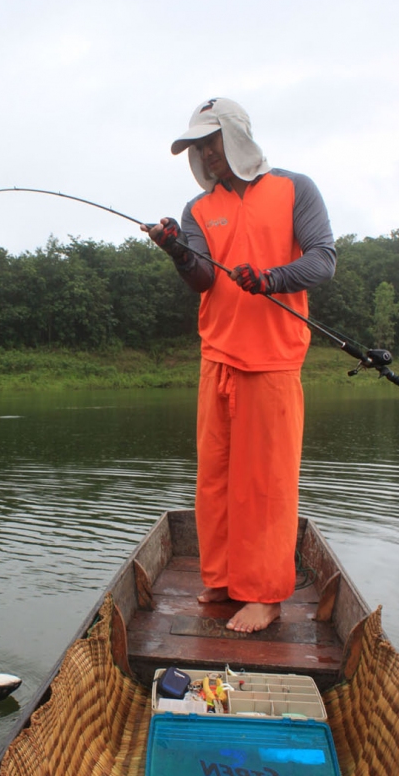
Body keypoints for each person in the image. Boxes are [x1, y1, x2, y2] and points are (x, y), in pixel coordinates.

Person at [142, 97, 335, 633]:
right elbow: (203, 276)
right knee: (217, 481)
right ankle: (225, 579)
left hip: (273, 361)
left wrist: (271, 278)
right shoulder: (198, 209)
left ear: (237, 137)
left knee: (266, 484)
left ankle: (267, 595)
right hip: (217, 358)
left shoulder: (296, 188)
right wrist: (179, 252)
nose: (207, 154)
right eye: (199, 147)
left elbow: (323, 258)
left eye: (213, 141)